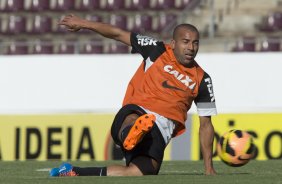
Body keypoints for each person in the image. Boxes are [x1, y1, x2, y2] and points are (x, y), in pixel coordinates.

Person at [50, 14, 217, 177]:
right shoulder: (156, 49)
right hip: (139, 110)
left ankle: (73, 171)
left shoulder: (202, 79)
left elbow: (206, 125)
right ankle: (131, 133)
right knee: (134, 119)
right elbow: (118, 33)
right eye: (186, 42)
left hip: (160, 130)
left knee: (138, 172)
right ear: (173, 43)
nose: (191, 48)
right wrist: (84, 23)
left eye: (195, 43)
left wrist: (208, 167)